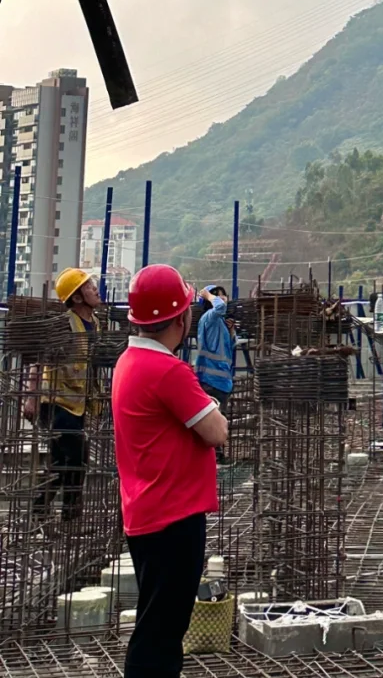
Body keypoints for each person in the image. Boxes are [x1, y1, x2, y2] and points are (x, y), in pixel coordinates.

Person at [112, 264, 229, 678]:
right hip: (172, 518)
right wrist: (212, 408)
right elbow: (217, 431)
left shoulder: (130, 361)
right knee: (161, 634)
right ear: (181, 318)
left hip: (146, 512)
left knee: (156, 625)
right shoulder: (168, 371)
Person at [24, 266, 102, 522]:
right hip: (56, 402)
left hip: (77, 404)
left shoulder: (96, 323)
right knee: (78, 458)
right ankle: (69, 515)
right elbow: (40, 358)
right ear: (77, 297)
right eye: (89, 287)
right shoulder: (64, 324)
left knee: (60, 462)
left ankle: (39, 511)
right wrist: (31, 395)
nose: (96, 290)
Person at [194, 285, 234, 416]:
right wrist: (209, 296)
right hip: (211, 381)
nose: (222, 297)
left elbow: (227, 348)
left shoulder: (219, 321)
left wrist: (231, 332)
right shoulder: (209, 317)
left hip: (220, 380)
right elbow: (220, 307)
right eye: (217, 295)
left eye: (223, 294)